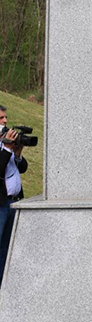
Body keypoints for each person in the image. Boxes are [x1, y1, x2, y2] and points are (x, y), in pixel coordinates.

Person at [0, 105, 28, 285]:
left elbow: (22, 168)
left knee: (7, 249)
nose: (5, 121)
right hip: (0, 205)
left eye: (5, 117)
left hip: (13, 203)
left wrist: (17, 154)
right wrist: (7, 149)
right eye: (1, 118)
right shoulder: (5, 146)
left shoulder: (6, 144)